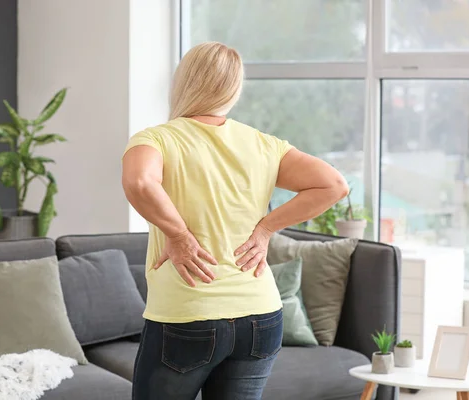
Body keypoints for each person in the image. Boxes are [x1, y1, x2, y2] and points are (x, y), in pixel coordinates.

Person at [122, 42, 349, 400]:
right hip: (260, 315)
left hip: (188, 313)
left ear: (183, 82)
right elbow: (333, 184)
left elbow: (138, 181)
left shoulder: (158, 139)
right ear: (234, 88)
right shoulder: (262, 144)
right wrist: (266, 228)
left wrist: (178, 234)